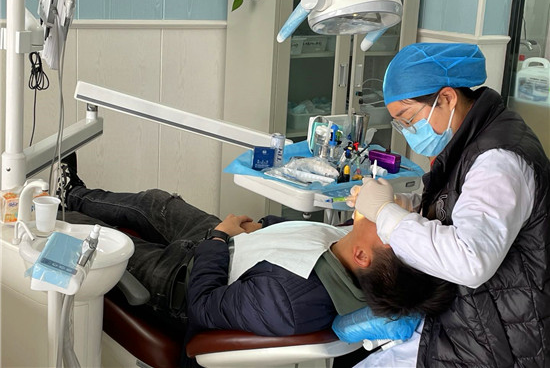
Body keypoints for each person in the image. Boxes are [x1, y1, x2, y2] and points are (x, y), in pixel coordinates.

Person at [56, 159, 454, 344]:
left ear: (364, 258)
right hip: (229, 246)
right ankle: (71, 193)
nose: (396, 220)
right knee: (155, 202)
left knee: (99, 239)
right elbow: (298, 235)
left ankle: (53, 214)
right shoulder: (349, 245)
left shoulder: (290, 301)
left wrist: (217, 239)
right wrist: (260, 226)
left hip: (183, 281)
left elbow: (202, 304)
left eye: (394, 232)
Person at [352, 43, 550, 367]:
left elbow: (470, 260)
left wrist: (387, 215)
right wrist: (408, 208)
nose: (407, 131)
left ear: (446, 98)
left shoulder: (498, 161)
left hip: (499, 341)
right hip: (471, 322)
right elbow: (463, 208)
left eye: (407, 119)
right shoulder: (472, 139)